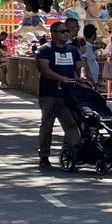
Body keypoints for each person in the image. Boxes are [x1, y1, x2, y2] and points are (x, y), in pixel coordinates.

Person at [34, 22, 81, 169]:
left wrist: (81, 79)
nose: (66, 34)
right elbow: (44, 69)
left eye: (67, 31)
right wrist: (60, 78)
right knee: (47, 125)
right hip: (50, 93)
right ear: (53, 33)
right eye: (62, 31)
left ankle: (69, 152)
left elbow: (79, 68)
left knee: (72, 124)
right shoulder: (45, 49)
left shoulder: (72, 50)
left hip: (68, 94)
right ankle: (44, 155)